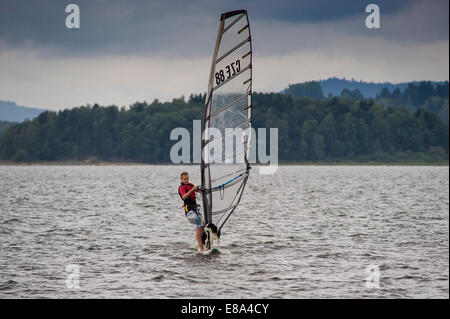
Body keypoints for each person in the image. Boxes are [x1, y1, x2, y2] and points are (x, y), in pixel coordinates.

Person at [178, 172, 205, 251]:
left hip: (195, 209)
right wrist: (193, 189)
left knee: (203, 225)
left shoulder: (190, 185)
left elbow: (199, 191)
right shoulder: (181, 187)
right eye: (185, 179)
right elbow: (184, 197)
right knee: (198, 223)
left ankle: (203, 245)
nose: (186, 180)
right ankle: (201, 249)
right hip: (189, 210)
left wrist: (202, 188)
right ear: (181, 179)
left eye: (187, 179)